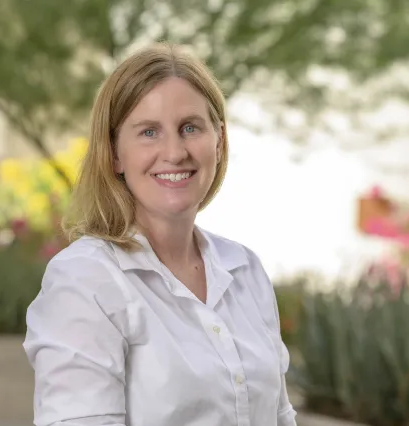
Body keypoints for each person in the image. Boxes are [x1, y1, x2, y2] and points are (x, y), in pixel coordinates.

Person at [23, 42, 297, 426]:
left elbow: (280, 417)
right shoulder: (86, 281)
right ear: (114, 153)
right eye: (149, 132)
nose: (174, 151)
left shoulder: (245, 270)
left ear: (218, 139)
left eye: (190, 128)